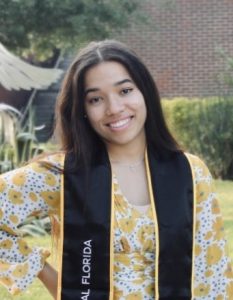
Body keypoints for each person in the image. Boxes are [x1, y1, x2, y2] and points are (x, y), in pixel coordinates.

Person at [0, 40, 232, 300]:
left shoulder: (190, 172)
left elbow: (212, 272)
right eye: (96, 99)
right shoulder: (64, 175)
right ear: (83, 109)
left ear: (144, 92)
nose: (114, 108)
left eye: (125, 91)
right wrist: (44, 272)